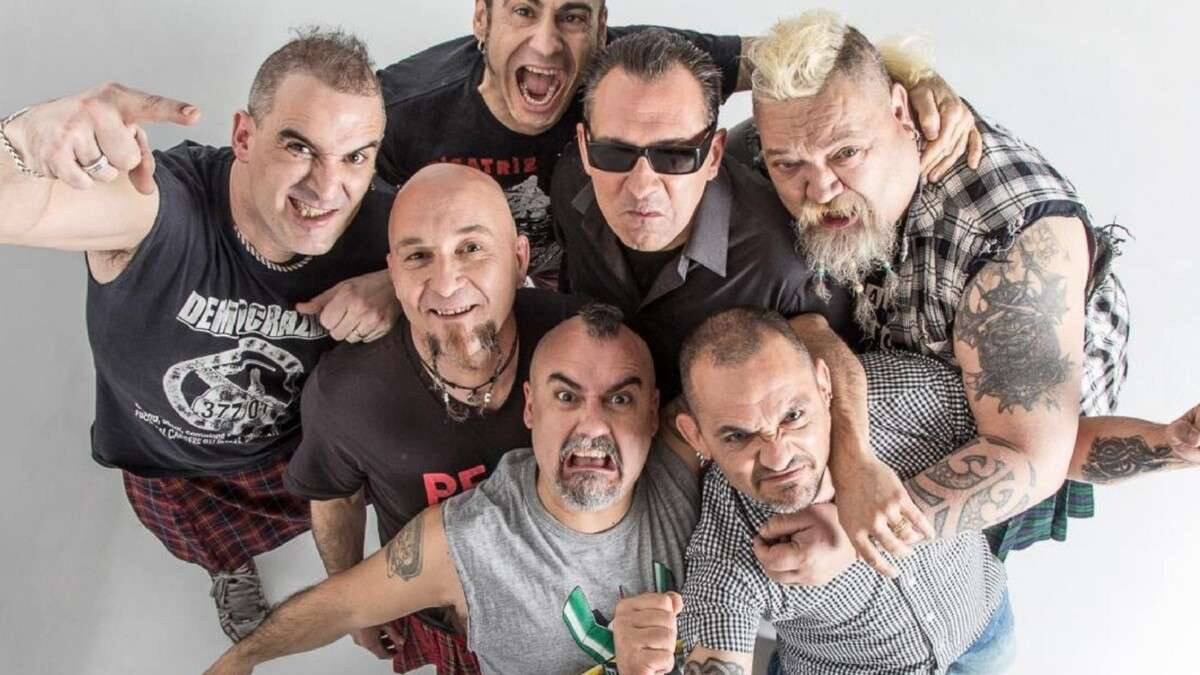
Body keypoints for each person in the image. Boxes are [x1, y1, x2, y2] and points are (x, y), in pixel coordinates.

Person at [0, 30, 402, 641]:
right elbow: (19, 209)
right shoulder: (158, 206)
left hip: (290, 454)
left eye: (354, 158)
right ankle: (226, 566)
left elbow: (502, 270)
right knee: (201, 540)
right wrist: (21, 138)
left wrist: (402, 284)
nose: (327, 189)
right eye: (299, 147)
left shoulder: (387, 226)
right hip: (171, 466)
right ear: (244, 137)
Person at [732, 10, 1132, 568]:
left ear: (900, 113)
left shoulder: (1009, 236)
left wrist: (856, 533)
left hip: (1014, 436)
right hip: (886, 378)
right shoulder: (788, 132)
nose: (819, 188)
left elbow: (1029, 455)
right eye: (788, 164)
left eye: (846, 154)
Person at [611, 307, 1200, 675]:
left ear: (823, 385)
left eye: (793, 416)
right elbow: (718, 649)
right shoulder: (725, 546)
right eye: (738, 436)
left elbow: (1045, 447)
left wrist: (1172, 445)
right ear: (697, 436)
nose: (778, 455)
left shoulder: (909, 393)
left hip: (983, 631)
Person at [205, 305, 703, 675]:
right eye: (566, 395)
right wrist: (241, 658)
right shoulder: (469, 540)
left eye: (620, 399)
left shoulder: (677, 461)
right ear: (531, 408)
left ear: (652, 412)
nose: (592, 425)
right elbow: (342, 605)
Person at [375, 0, 976, 286]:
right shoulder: (402, 107)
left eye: (573, 17)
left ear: (602, 27)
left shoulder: (638, 67)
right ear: (481, 19)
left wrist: (914, 77)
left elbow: (808, 60)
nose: (547, 43)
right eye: (523, 12)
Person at [283, 163, 581, 673]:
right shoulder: (346, 392)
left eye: (471, 248)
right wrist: (351, 602)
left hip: (575, 601)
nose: (445, 284)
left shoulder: (582, 342)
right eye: (419, 256)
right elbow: (336, 499)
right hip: (442, 614)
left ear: (519, 259)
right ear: (393, 274)